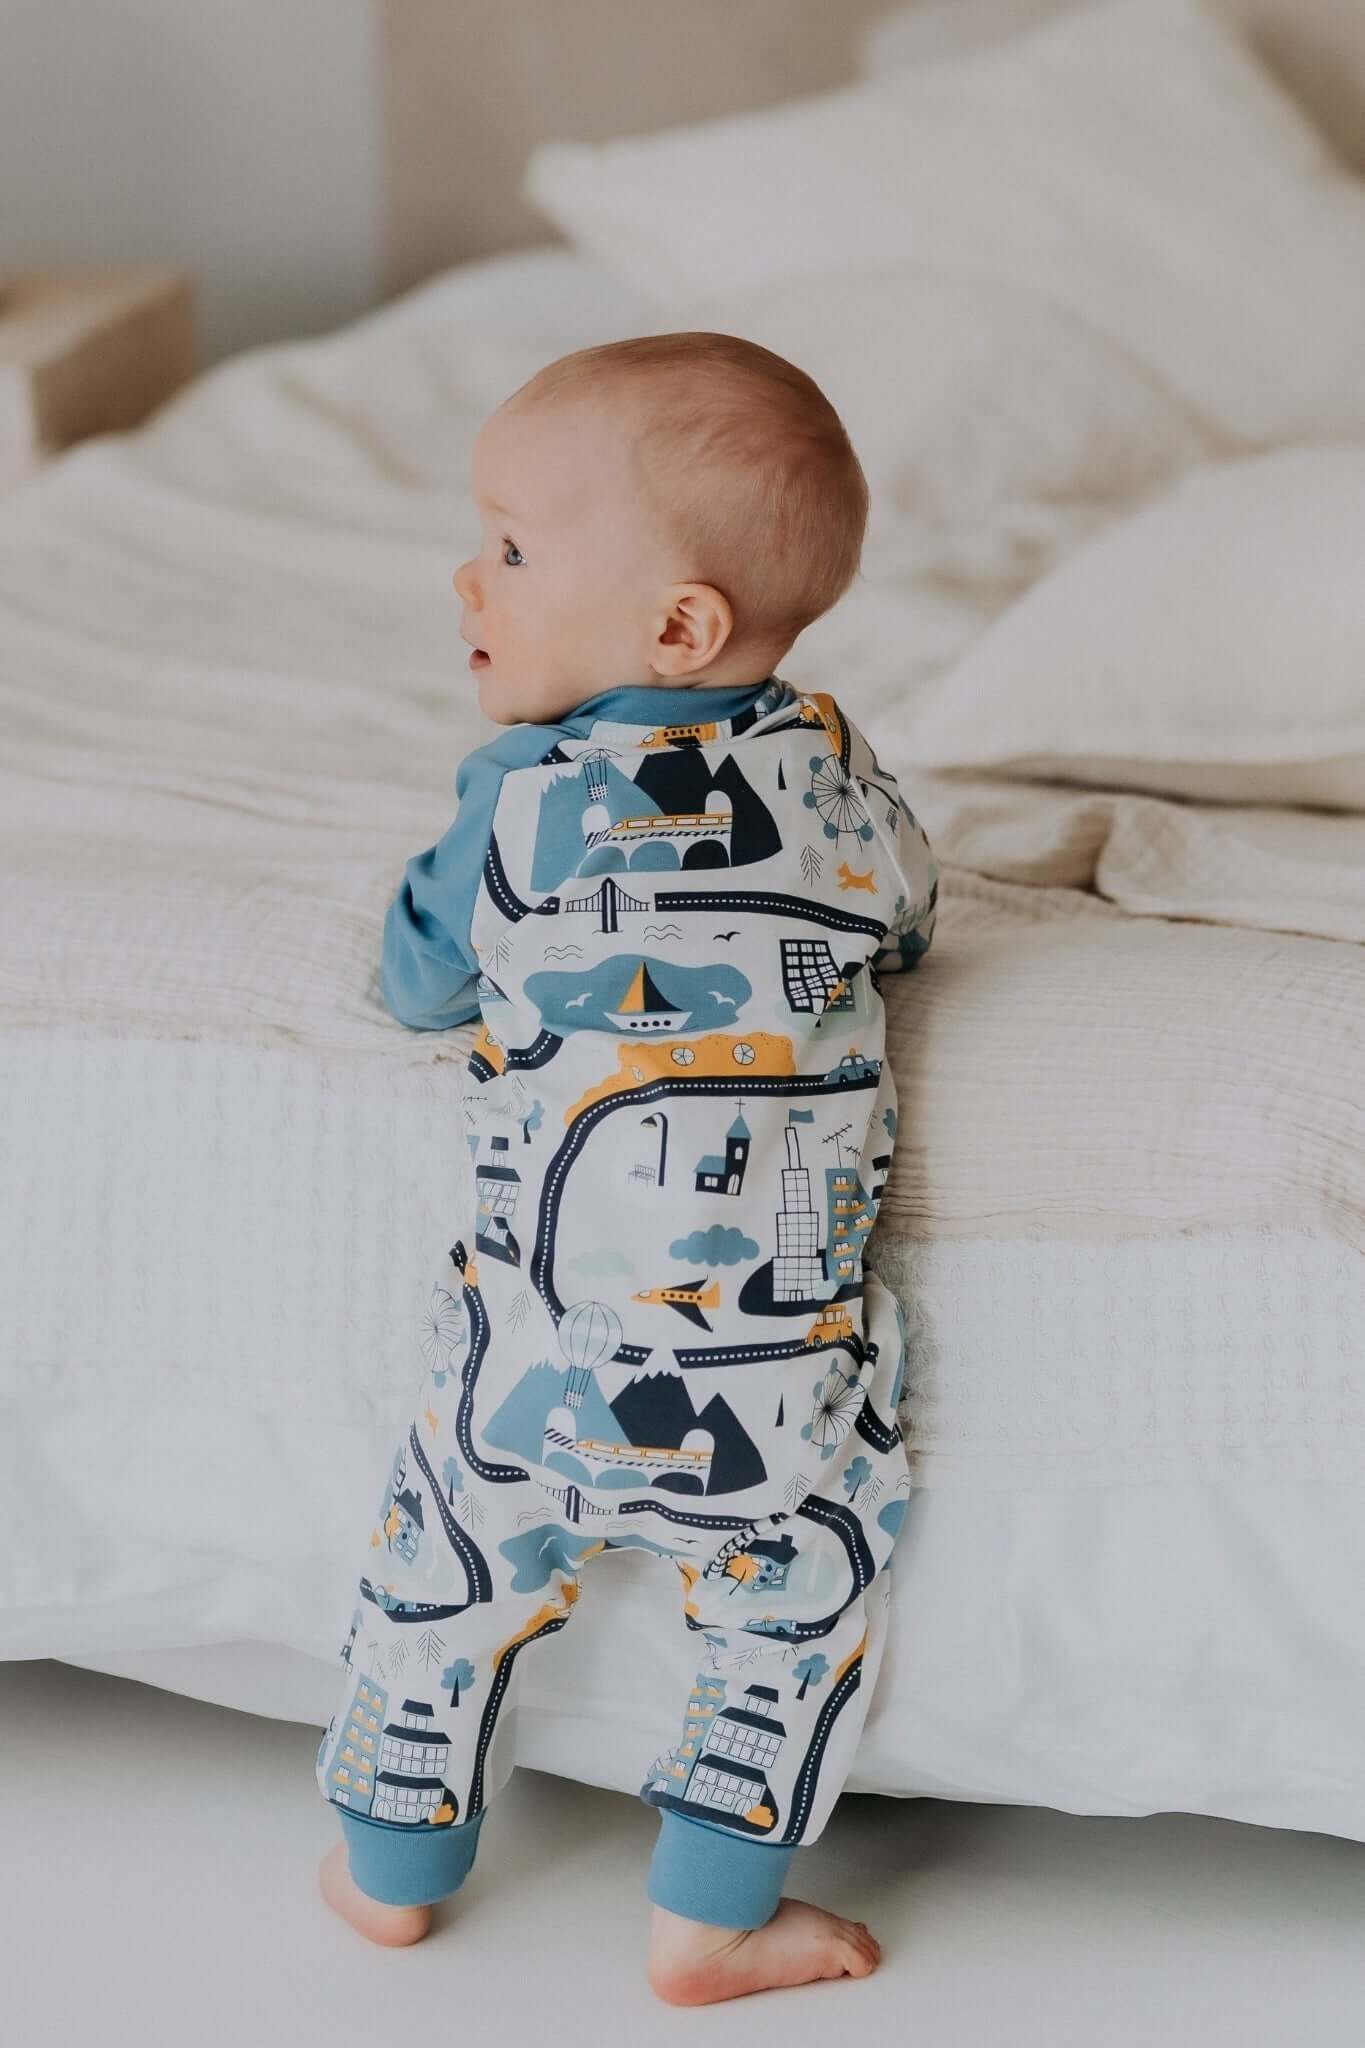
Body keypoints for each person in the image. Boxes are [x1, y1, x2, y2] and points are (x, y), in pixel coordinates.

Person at [315, 332, 938, 2003]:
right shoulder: (837, 780)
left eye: (512, 548)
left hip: (522, 1352)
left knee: (439, 1579)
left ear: (674, 625)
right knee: (795, 1603)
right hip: (763, 1368)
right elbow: (914, 915)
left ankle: (389, 1866)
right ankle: (709, 1920)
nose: (468, 572)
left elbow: (413, 981)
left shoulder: (518, 807)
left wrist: (469, 832)